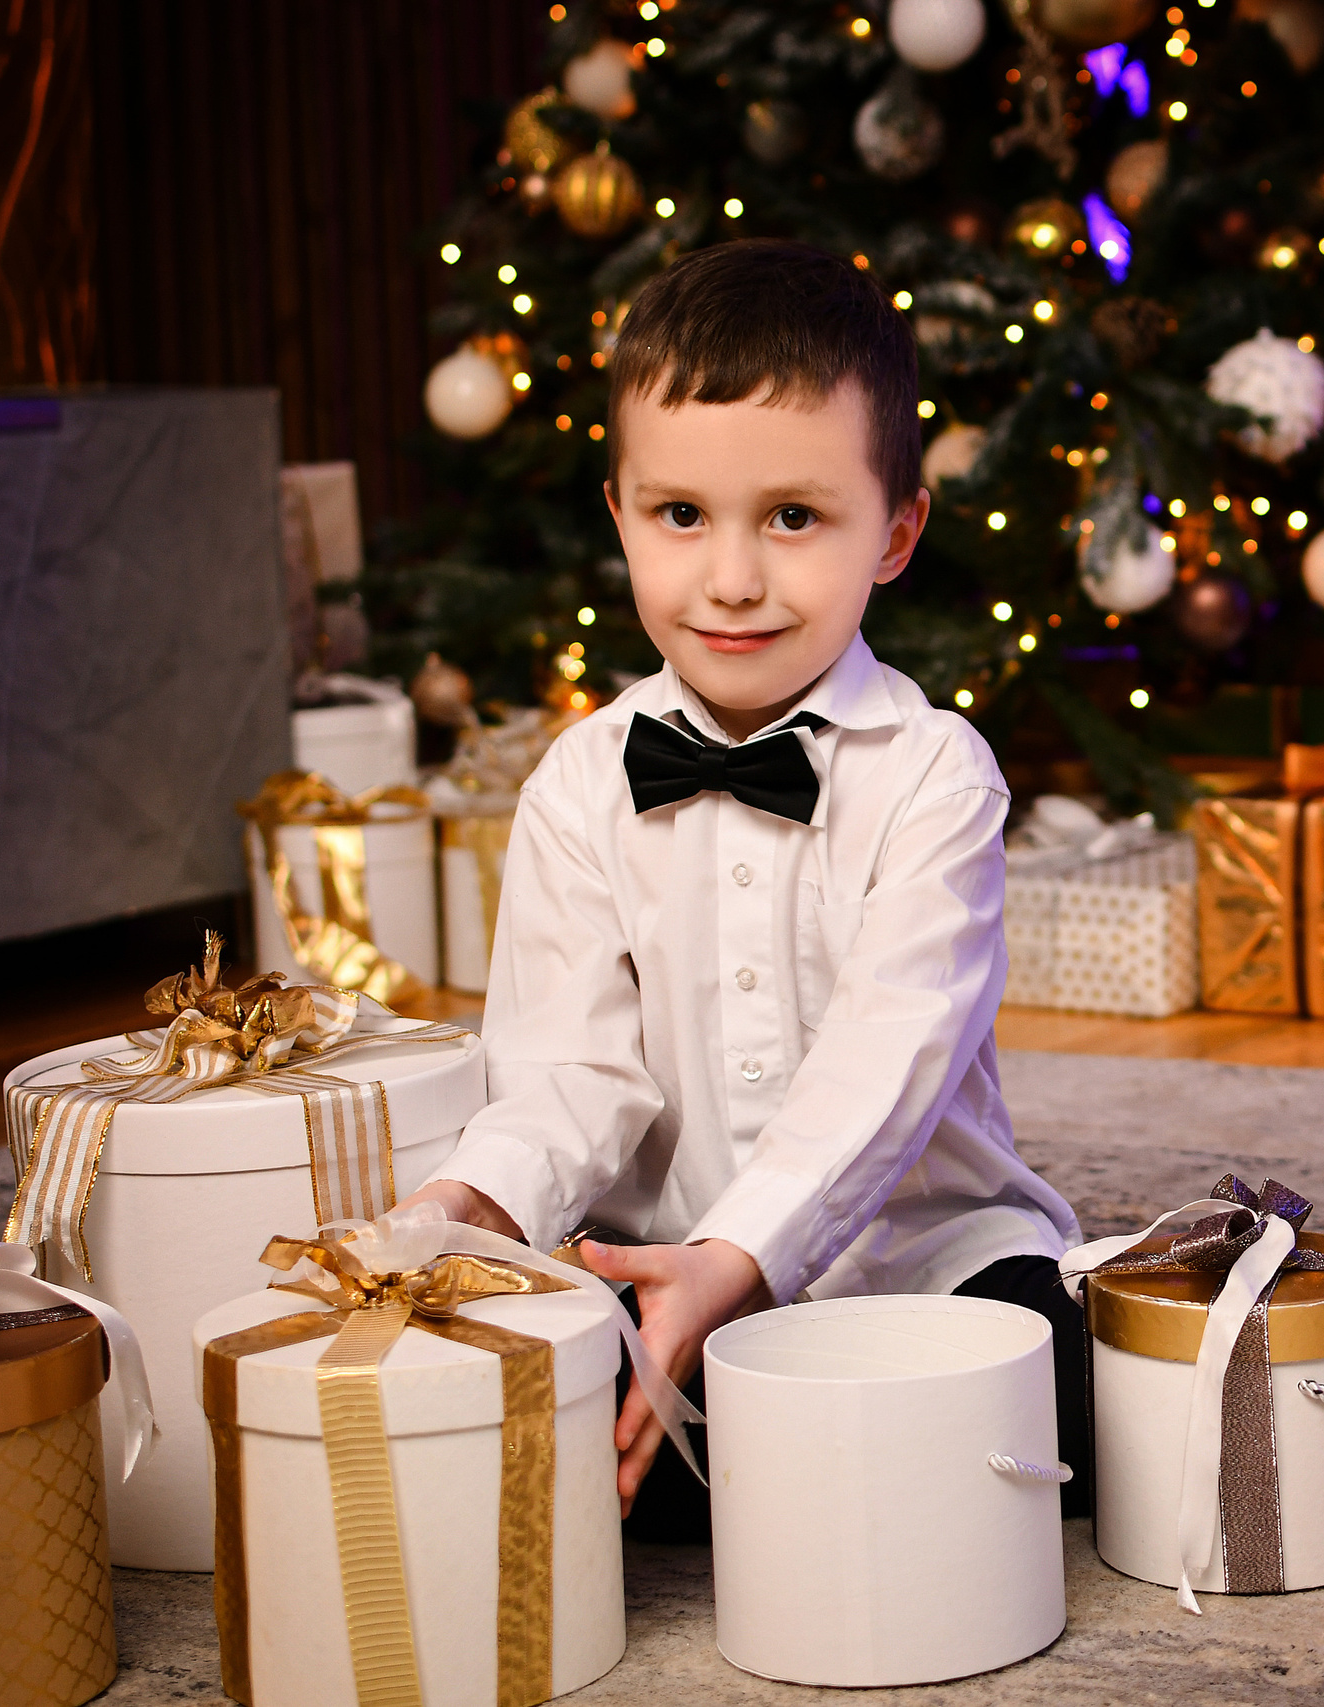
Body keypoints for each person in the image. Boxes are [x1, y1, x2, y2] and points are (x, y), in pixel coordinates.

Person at [397, 238, 1088, 1536]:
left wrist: (747, 1254)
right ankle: (785, 1478)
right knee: (539, 1408)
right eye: (680, 517)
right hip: (662, 1264)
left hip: (923, 1263)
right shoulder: (578, 784)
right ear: (620, 515)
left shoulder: (938, 777)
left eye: (793, 518)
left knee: (1060, 1390)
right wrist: (468, 1201)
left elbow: (890, 1058)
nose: (730, 580)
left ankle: (1265, 1375)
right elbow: (567, 1074)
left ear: (896, 531)